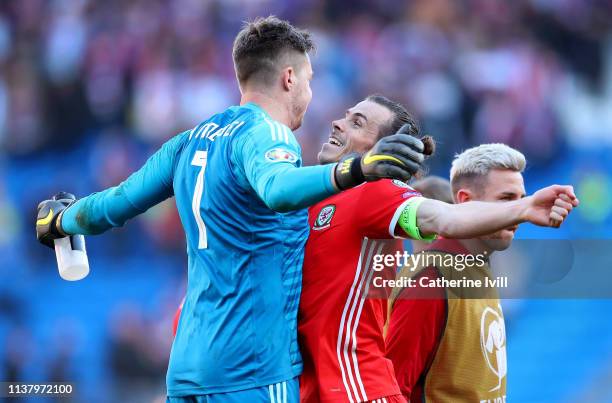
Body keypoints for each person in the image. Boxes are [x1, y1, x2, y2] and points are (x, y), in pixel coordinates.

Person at [34, 17, 428, 403]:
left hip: (188, 367)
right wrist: (355, 168)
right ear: (289, 78)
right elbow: (278, 189)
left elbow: (114, 205)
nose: (310, 95)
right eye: (309, 81)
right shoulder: (269, 135)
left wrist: (61, 219)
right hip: (250, 365)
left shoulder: (189, 141)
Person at [298, 98, 578, 403]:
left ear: (386, 151)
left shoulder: (375, 194)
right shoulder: (310, 199)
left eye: (357, 122)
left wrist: (524, 208)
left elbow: (444, 216)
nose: (337, 123)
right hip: (318, 389)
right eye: (346, 117)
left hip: (358, 391)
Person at [385, 144, 578, 402]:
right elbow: (392, 389)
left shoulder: (477, 266)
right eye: (507, 199)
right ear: (465, 201)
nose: (518, 213)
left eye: (521, 199)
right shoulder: (432, 278)